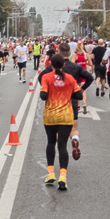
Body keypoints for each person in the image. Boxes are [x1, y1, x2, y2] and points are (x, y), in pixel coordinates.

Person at [39, 55, 79, 189]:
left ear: (51, 65)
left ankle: (50, 173)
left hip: (50, 115)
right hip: (66, 116)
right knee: (62, 146)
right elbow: (78, 95)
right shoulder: (70, 78)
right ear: (63, 65)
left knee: (51, 142)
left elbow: (43, 96)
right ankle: (63, 176)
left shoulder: (46, 77)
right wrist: (67, 92)